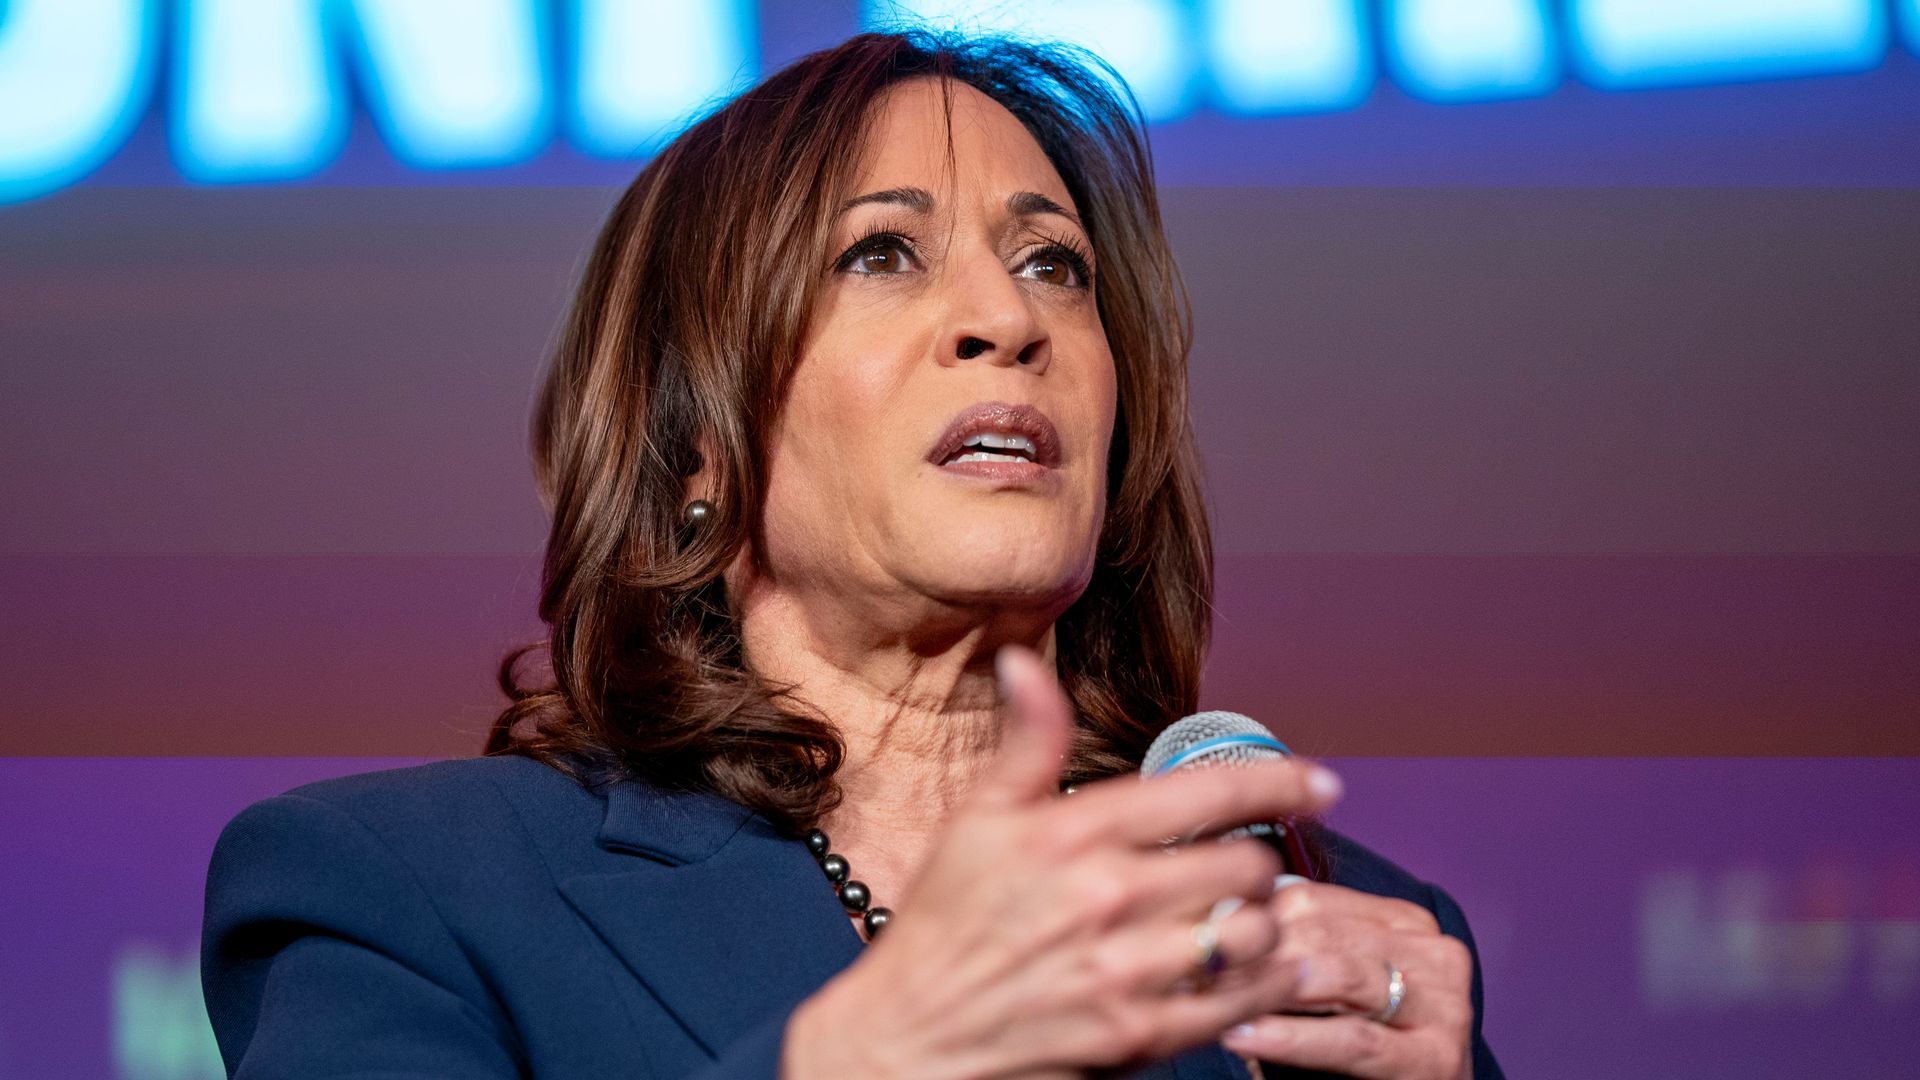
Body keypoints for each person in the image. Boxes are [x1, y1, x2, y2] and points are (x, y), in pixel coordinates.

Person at [201, 29, 1502, 1080]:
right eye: (881, 253)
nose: (1006, 317)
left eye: (1056, 264)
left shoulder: (1351, 942)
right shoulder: (409, 896)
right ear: (697, 446)